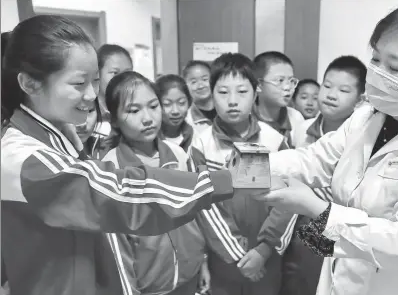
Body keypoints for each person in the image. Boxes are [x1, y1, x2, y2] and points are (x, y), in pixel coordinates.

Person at [0, 15, 249, 295]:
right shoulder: (24, 160)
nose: (92, 94)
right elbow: (124, 194)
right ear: (30, 84)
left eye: (95, 81)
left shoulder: (59, 133)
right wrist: (227, 180)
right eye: (79, 84)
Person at [257, 0, 398, 295]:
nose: (378, 73)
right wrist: (248, 168)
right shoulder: (365, 119)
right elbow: (314, 160)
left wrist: (313, 207)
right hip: (342, 280)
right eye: (375, 60)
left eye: (395, 68)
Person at [190, 53, 297, 295]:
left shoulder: (274, 141)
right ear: (212, 93)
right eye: (223, 92)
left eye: (241, 91)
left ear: (256, 90)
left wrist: (265, 249)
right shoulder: (202, 145)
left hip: (266, 260)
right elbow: (204, 208)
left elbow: (289, 200)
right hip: (223, 263)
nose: (233, 101)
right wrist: (239, 255)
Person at [102, 71, 210, 295]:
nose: (148, 118)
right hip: (149, 285)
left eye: (153, 106)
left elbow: (196, 211)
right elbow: (116, 247)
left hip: (189, 273)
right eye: (134, 110)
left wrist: (203, 261)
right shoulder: (111, 169)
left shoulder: (178, 154)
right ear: (114, 119)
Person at [280, 55, 367, 295]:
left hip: (333, 228)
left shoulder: (360, 138)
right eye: (327, 86)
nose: (330, 94)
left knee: (322, 281)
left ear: (360, 100)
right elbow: (295, 165)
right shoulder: (301, 129)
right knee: (294, 281)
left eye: (343, 90)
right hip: (292, 225)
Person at [252, 51, 305, 148]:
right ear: (259, 85)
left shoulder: (296, 117)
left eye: (291, 81)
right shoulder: (246, 119)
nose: (287, 87)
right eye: (280, 80)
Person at [156, 74, 196, 152]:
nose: (175, 111)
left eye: (181, 103)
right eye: (167, 104)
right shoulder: (149, 140)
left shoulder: (196, 137)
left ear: (189, 102)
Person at [183, 60, 216, 134]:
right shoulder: (187, 120)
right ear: (186, 86)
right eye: (194, 82)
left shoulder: (226, 110)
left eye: (205, 79)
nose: (200, 86)